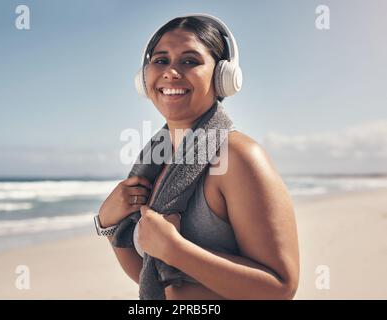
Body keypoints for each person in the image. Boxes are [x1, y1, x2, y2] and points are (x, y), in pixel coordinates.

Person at [97, 14, 299, 299]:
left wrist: (176, 250)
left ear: (223, 77)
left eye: (190, 61)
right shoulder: (157, 162)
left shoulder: (238, 157)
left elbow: (281, 288)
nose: (171, 72)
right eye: (161, 60)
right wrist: (109, 225)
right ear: (144, 77)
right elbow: (153, 277)